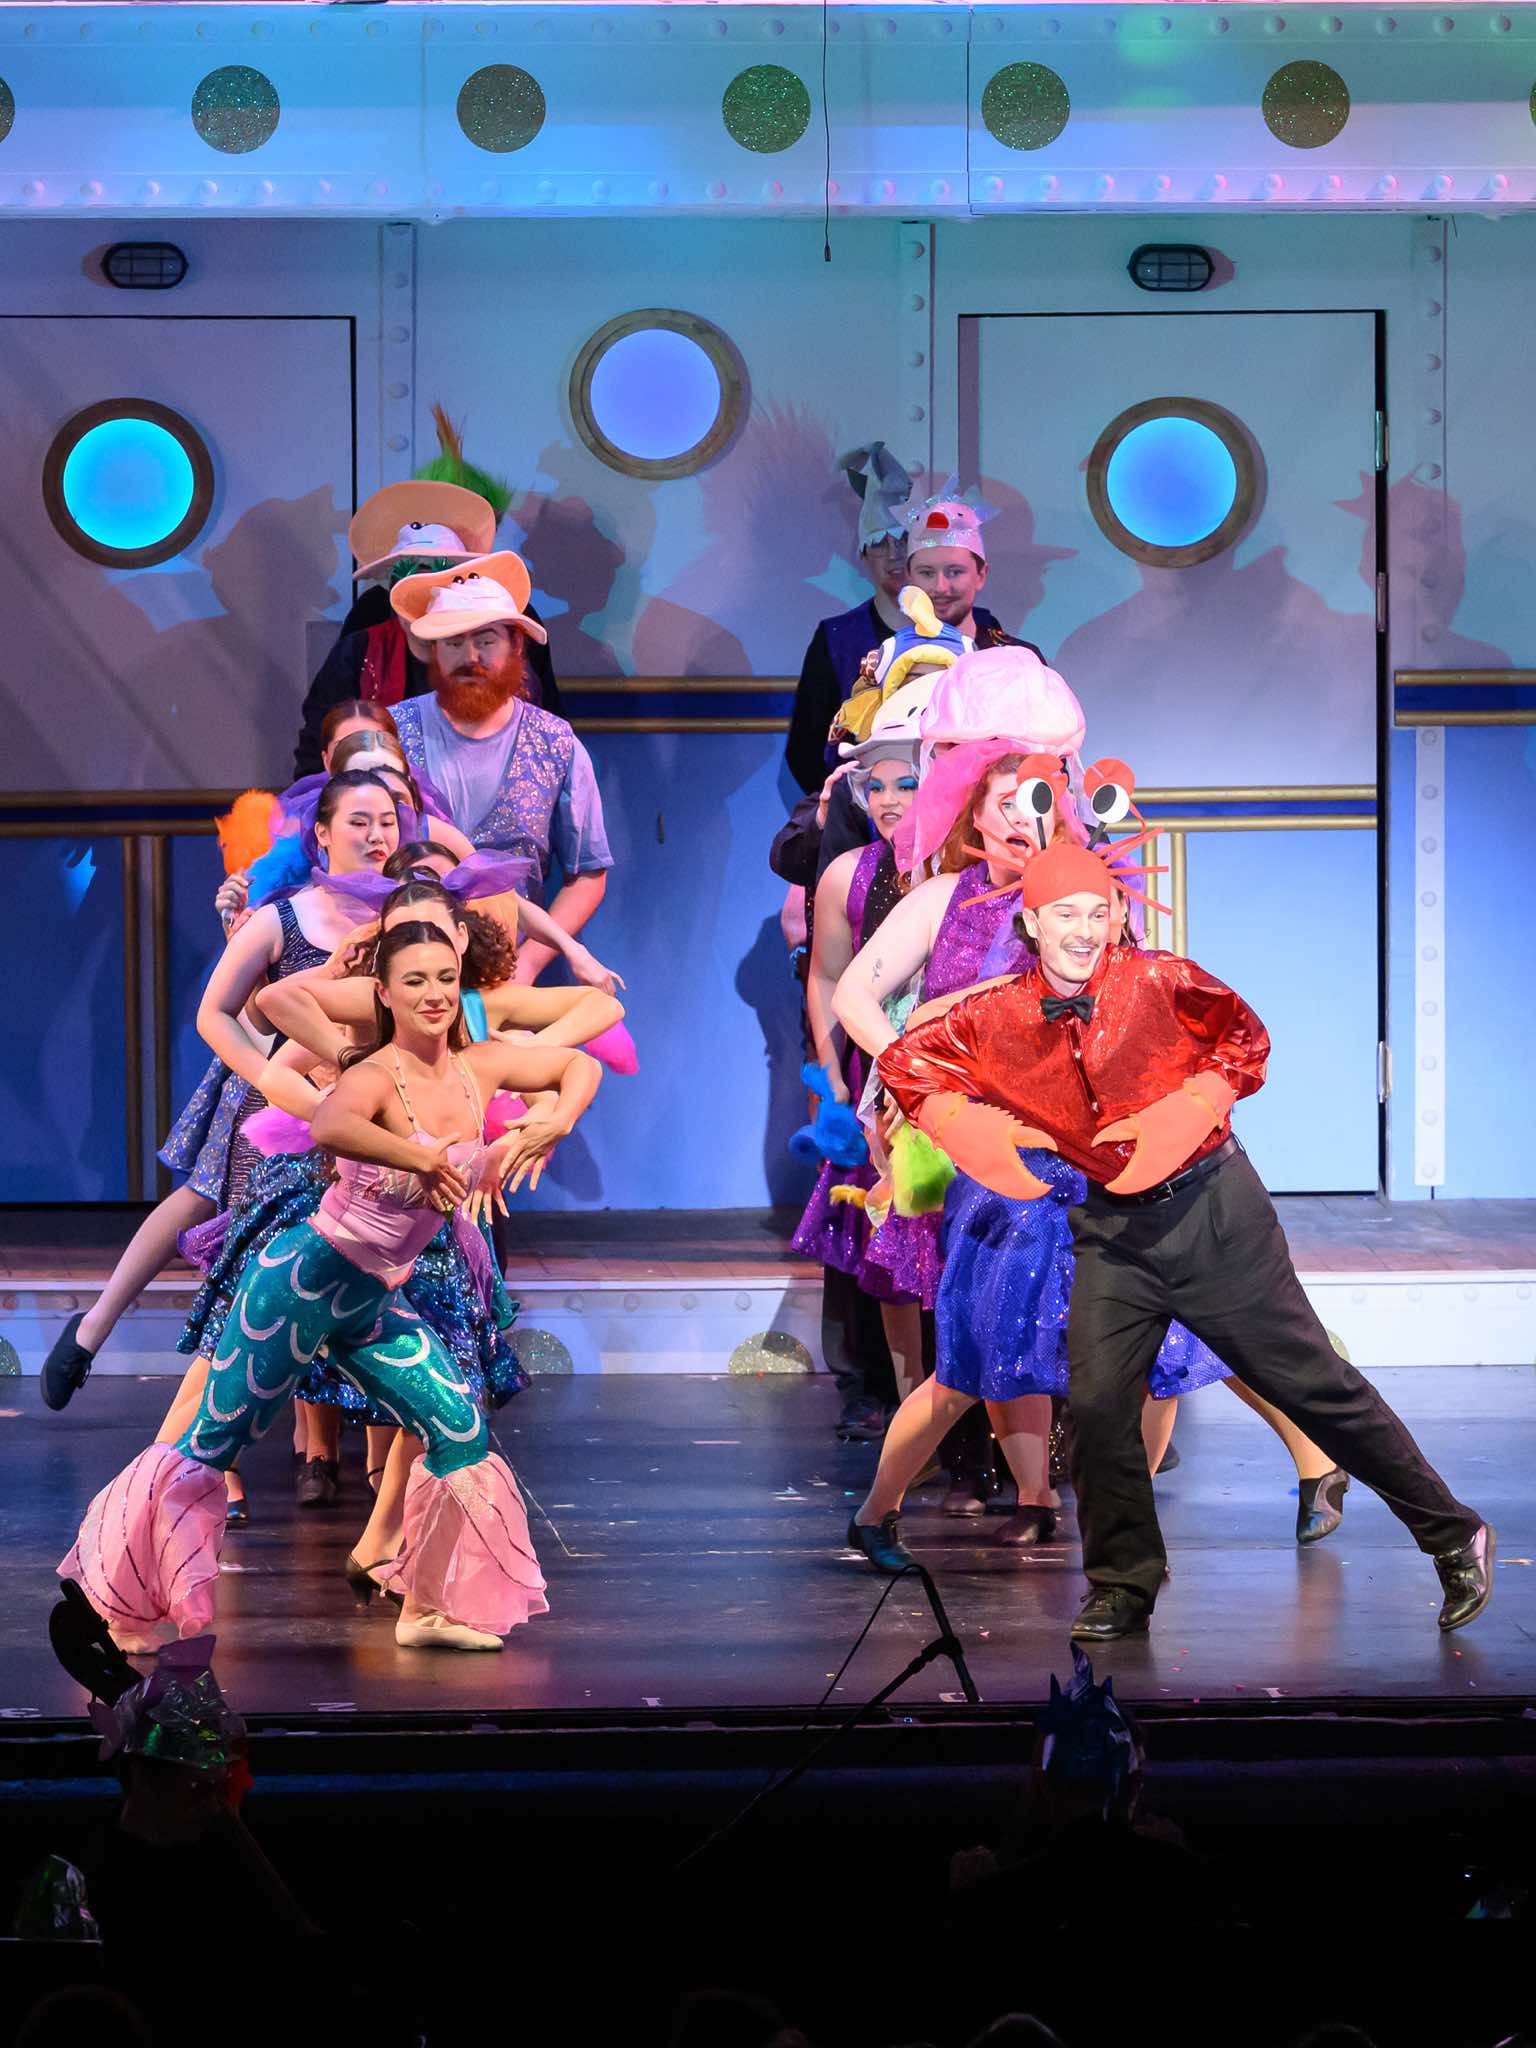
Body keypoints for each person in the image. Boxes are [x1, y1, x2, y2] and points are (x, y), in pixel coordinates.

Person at [877, 834, 1494, 1640]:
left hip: (1212, 1213)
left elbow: (1246, 1040)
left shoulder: (1160, 980)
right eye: (1066, 914)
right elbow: (907, 1063)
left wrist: (1190, 1106)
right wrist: (973, 1129)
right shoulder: (995, 1016)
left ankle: (1453, 1534)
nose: (1084, 930)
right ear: (1031, 923)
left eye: (1098, 913)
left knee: (1314, 1387)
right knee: (1099, 1405)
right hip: (1110, 1229)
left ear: (1117, 916)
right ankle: (1122, 1583)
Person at [62, 918, 601, 1654]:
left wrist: (555, 1120)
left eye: (446, 979)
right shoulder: (374, 1074)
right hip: (301, 1284)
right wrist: (417, 1157)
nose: (435, 995)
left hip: (371, 1301)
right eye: (415, 981)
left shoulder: (482, 1065)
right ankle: (113, 1603)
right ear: (384, 993)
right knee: (210, 1444)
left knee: (457, 1427)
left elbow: (578, 1065)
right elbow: (332, 1126)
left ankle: (426, 1610)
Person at [39, 771, 400, 1439]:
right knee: (250, 1276)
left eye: (388, 821)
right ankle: (192, 1455)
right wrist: (270, 1076)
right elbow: (217, 1013)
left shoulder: (407, 922)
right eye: (359, 821)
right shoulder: (284, 917)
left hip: (366, 1121)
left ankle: (330, 1454)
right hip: (275, 1115)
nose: (377, 835)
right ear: (322, 833)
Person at [793, 682, 932, 1438]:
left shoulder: (961, 874)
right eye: (873, 786)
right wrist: (831, 1079)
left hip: (947, 1081)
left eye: (904, 783)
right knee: (872, 1238)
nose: (886, 800)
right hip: (873, 1079)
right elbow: (824, 977)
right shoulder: (848, 874)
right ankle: (880, 1393)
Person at [385, 551, 612, 984]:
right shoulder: (393, 734)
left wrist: (526, 966)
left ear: (515, 646)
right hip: (405, 973)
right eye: (453, 642)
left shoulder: (555, 743)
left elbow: (588, 875)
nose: (470, 656)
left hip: (510, 973)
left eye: (486, 641)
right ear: (434, 651)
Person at [294, 421, 561, 775]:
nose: (424, 595)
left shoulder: (512, 622)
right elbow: (319, 749)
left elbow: (549, 743)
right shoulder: (365, 641)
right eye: (411, 581)